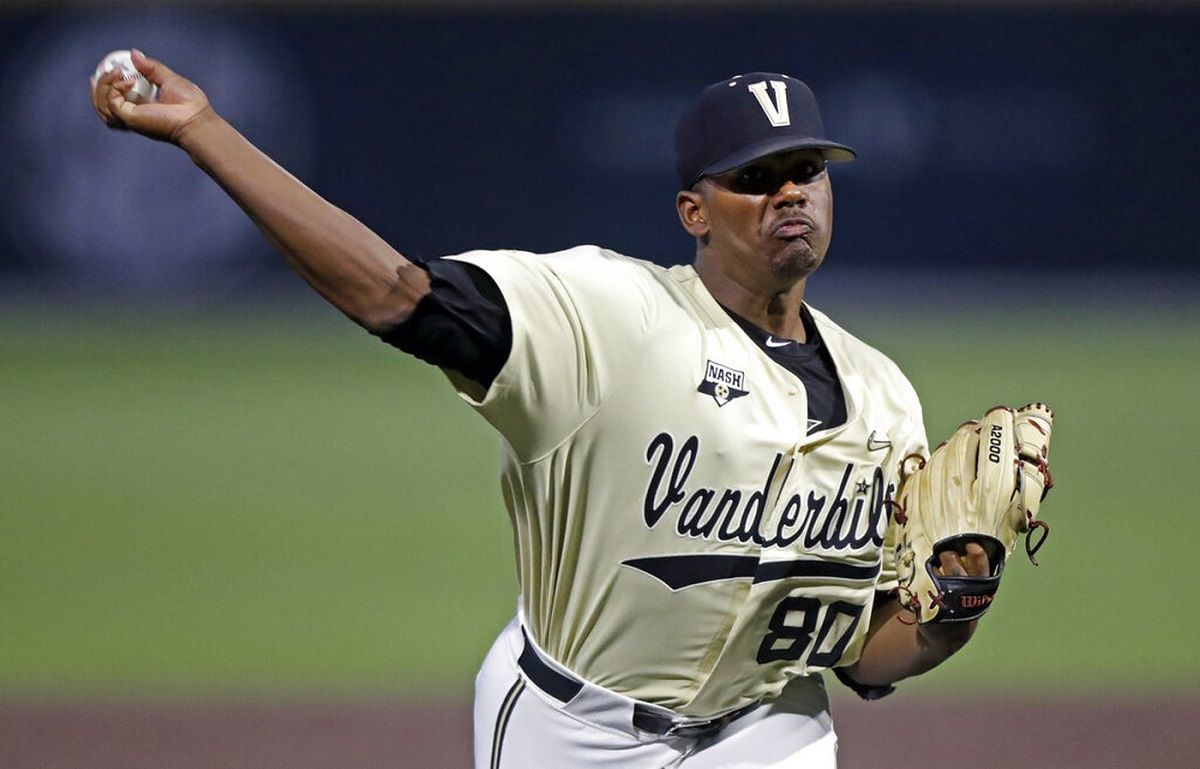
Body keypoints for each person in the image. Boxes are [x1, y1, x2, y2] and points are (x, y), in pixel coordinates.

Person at [93, 54, 994, 768]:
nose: (791, 191)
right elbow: (394, 296)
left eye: (807, 169)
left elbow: (862, 652)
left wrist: (952, 611)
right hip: (573, 730)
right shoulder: (607, 315)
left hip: (769, 729)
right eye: (756, 176)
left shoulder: (885, 396)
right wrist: (205, 131)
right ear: (694, 210)